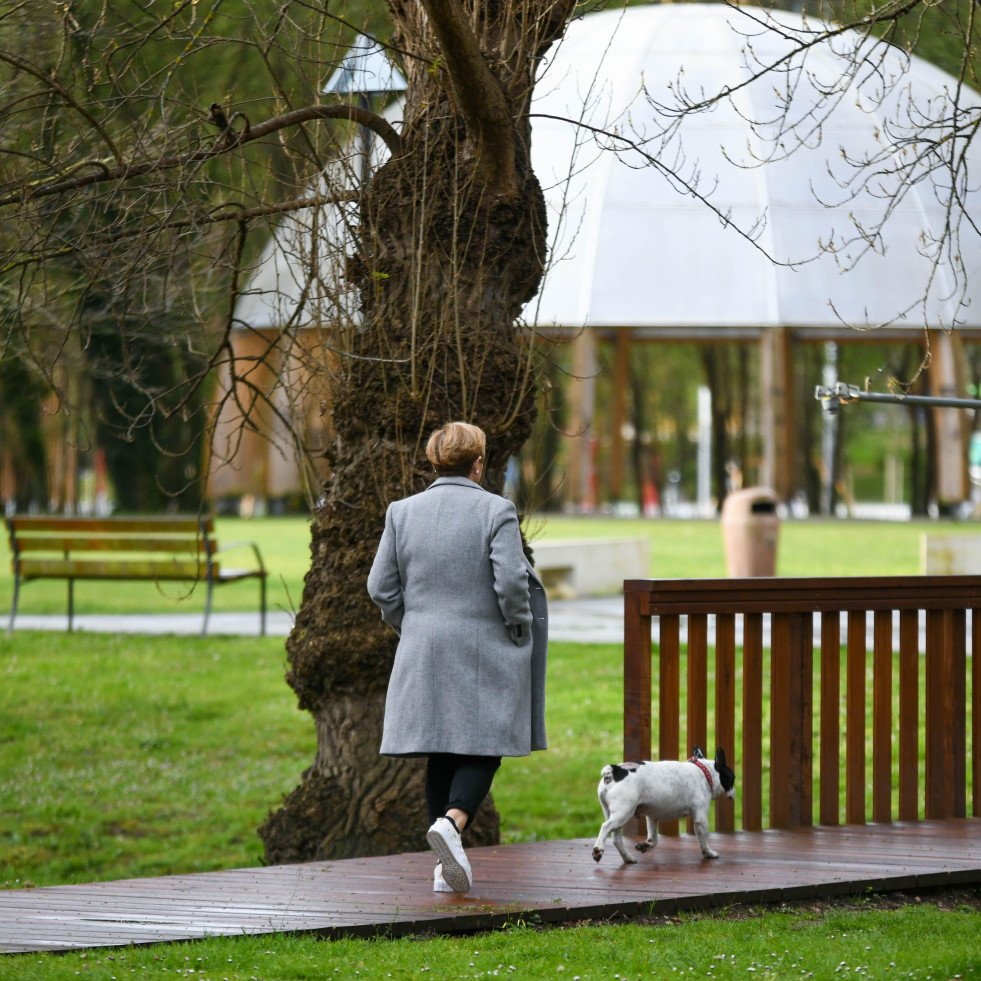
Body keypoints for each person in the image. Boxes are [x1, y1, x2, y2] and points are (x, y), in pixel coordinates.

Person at [367, 421, 548, 894]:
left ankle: (444, 869)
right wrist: (518, 625)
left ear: (433, 461)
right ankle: (452, 820)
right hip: (482, 645)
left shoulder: (401, 512)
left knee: (442, 750)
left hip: (422, 646)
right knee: (487, 742)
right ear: (479, 463)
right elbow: (510, 583)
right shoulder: (496, 509)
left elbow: (379, 587)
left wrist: (412, 625)